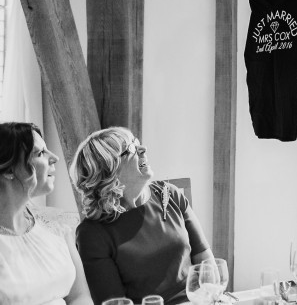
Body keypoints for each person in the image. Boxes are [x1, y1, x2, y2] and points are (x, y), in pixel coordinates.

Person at [70, 127, 213, 304]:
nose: (143, 149)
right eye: (131, 149)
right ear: (110, 170)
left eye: (137, 143)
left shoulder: (169, 194)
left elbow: (205, 261)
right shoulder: (92, 234)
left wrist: (209, 297)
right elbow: (115, 303)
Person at [0, 121, 92, 305]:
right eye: (40, 153)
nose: (55, 158)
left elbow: (79, 297)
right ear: (9, 169)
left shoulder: (56, 224)